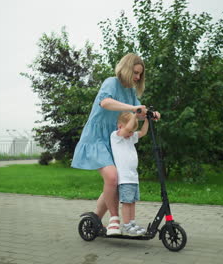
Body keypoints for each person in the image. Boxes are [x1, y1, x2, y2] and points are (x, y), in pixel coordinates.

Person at [71, 53, 160, 236]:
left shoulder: (130, 92)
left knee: (115, 180)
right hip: (97, 137)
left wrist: (150, 114)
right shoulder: (111, 82)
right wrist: (132, 108)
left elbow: (136, 113)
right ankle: (114, 219)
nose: (137, 77)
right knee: (112, 177)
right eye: (135, 73)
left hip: (114, 138)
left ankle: (95, 219)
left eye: (140, 75)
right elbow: (106, 102)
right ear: (126, 69)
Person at [110, 112, 148, 236]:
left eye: (133, 132)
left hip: (133, 177)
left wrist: (147, 120)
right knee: (126, 202)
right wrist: (134, 116)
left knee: (132, 202)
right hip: (124, 178)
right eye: (130, 131)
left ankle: (132, 223)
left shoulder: (130, 137)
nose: (131, 134)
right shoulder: (116, 137)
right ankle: (126, 225)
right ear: (120, 126)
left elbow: (142, 133)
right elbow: (127, 129)